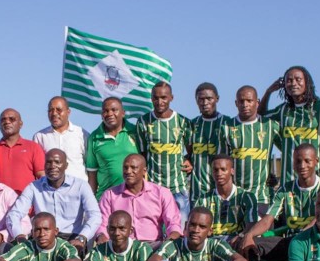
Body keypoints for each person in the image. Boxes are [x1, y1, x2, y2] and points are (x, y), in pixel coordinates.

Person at [6, 149, 101, 257]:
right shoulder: (34, 187)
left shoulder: (80, 186)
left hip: (72, 238)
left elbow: (95, 215)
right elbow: (14, 214)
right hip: (43, 238)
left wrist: (82, 237)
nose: (52, 166)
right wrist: (19, 236)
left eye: (57, 162)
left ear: (66, 165)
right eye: (48, 162)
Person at [260, 66, 320, 185]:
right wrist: (268, 91)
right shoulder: (283, 109)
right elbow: (260, 117)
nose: (293, 83)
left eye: (298, 79)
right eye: (289, 80)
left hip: (315, 178)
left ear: (307, 82)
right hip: (288, 180)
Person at [134, 82, 192, 222]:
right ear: (151, 98)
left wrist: (189, 161)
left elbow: (191, 152)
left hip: (178, 187)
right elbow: (142, 154)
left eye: (164, 97)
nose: (160, 101)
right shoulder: (143, 122)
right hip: (154, 188)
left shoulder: (183, 122)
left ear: (171, 98)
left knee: (180, 231)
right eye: (156, 98)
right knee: (155, 232)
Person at [96, 154, 182, 246]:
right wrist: (102, 236)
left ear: (144, 171)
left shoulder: (161, 193)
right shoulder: (110, 195)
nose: (128, 171)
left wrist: (171, 240)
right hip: (121, 246)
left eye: (133, 168)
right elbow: (102, 224)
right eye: (125, 168)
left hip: (153, 245)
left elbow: (173, 223)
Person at [221, 86, 279, 205]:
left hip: (262, 196)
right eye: (241, 101)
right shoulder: (227, 128)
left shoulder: (270, 126)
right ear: (236, 103)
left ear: (257, 103)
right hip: (235, 196)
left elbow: (288, 150)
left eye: (249, 101)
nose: (245, 104)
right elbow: (222, 162)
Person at [192, 154, 260, 246]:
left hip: (237, 242)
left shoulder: (247, 197)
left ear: (232, 171)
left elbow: (251, 226)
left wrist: (241, 236)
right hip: (211, 244)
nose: (219, 173)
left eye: (223, 169)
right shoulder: (202, 200)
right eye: (215, 170)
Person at [0, 108, 45, 194]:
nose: (7, 122)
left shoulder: (33, 147)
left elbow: (42, 177)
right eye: (3, 119)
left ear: (21, 124)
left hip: (27, 205)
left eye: (12, 119)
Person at [85, 96, 138, 199]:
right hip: (106, 198)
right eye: (106, 111)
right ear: (101, 115)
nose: (109, 114)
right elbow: (92, 174)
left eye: (114, 110)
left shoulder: (136, 131)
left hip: (134, 197)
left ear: (123, 113)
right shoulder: (94, 137)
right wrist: (91, 202)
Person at [33, 96, 88, 181]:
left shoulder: (81, 134)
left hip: (78, 190)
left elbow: (91, 166)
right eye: (51, 110)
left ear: (68, 112)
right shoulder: (40, 136)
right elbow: (39, 167)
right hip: (51, 191)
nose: (54, 113)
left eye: (59, 110)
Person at [188, 82, 227, 200]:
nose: (205, 103)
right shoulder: (191, 125)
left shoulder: (228, 124)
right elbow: (189, 154)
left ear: (217, 99)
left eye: (209, 99)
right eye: (201, 99)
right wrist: (187, 159)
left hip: (222, 193)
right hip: (197, 194)